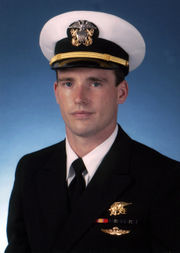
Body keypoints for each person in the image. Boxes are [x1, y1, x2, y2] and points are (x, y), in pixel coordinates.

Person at [5, 10, 180, 253]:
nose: (79, 98)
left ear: (121, 92)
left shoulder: (164, 178)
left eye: (95, 83)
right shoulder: (30, 170)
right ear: (56, 92)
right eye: (68, 83)